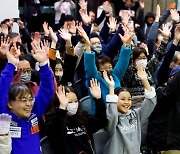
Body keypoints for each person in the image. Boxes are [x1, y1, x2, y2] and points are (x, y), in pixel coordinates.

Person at [0, 37, 54, 154]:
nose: (29, 104)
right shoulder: (4, 116)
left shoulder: (34, 113)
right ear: (9, 103)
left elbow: (47, 91)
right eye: (23, 100)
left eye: (30, 99)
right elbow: (1, 90)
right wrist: (10, 65)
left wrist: (44, 64)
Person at [103, 64, 156, 154]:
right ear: (115, 100)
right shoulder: (113, 119)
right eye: (123, 99)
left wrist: (145, 81)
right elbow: (111, 115)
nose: (126, 102)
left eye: (129, 99)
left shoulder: (136, 114)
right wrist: (111, 88)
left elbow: (151, 102)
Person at [45, 78, 107, 154]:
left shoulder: (82, 118)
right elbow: (58, 135)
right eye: (69, 102)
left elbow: (102, 121)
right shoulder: (52, 121)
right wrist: (62, 109)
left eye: (76, 101)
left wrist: (98, 99)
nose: (74, 104)